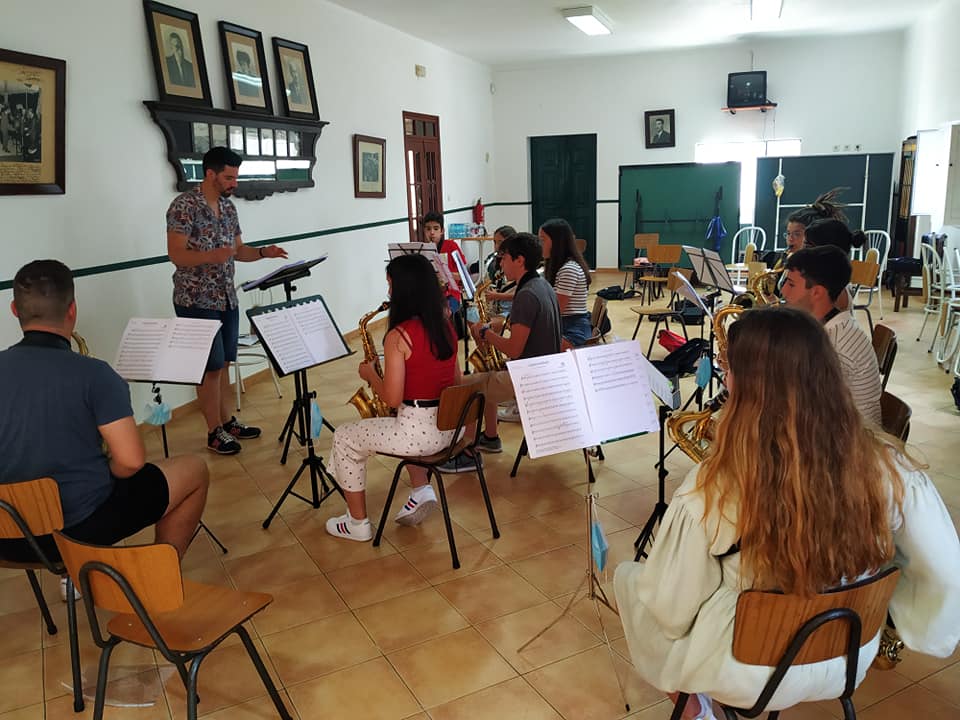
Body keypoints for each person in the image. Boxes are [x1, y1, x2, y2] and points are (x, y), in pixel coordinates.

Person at [614, 306, 960, 719]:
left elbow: (671, 611)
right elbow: (946, 571)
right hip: (848, 654)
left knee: (631, 583)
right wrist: (904, 617)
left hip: (746, 668)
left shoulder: (715, 485)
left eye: (729, 372)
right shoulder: (891, 466)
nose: (726, 380)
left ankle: (696, 712)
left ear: (750, 388)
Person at [0, 260, 210, 578]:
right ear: (72, 310)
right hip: (75, 533)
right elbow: (130, 462)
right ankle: (162, 579)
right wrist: (104, 471)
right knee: (194, 470)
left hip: (6, 535)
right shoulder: (96, 375)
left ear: (15, 310)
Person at [326, 254, 460, 541]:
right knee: (401, 421)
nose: (388, 292)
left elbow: (391, 399)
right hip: (451, 430)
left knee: (344, 437)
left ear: (405, 289)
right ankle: (421, 490)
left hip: (420, 435)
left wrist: (370, 374)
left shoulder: (398, 336)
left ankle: (356, 523)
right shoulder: (446, 327)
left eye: (391, 285)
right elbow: (456, 383)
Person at [166, 146, 288, 454]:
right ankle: (213, 432)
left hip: (226, 298)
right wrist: (210, 256)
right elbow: (176, 254)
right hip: (196, 300)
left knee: (224, 363)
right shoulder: (184, 206)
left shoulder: (229, 208)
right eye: (229, 177)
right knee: (209, 368)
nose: (235, 183)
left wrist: (264, 253)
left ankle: (226, 421)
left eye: (236, 177)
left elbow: (239, 250)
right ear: (210, 174)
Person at [442, 232, 561, 471]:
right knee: (485, 375)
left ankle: (468, 453)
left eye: (503, 258)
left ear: (520, 260)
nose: (500, 263)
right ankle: (490, 437)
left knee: (466, 388)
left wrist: (486, 333)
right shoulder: (541, 285)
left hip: (530, 377)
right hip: (544, 369)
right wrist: (498, 326)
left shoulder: (525, 295)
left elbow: (514, 349)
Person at [781, 246, 882, 425]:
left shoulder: (833, 347)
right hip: (837, 429)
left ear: (817, 292)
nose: (783, 291)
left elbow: (804, 410)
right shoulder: (833, 325)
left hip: (850, 437)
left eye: (791, 284)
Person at [540, 218, 592, 348]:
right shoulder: (559, 267)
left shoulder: (569, 269)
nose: (540, 245)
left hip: (573, 330)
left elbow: (557, 309)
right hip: (563, 324)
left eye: (543, 240)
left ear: (556, 242)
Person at [422, 211, 468, 319]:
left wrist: (445, 275)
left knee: (443, 314)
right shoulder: (422, 249)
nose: (432, 233)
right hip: (431, 294)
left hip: (451, 294)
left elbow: (464, 276)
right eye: (428, 229)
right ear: (424, 231)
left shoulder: (451, 246)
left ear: (442, 231)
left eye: (436, 228)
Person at [483, 225, 517, 318]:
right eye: (495, 242)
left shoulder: (515, 263)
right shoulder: (495, 260)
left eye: (500, 242)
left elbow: (522, 295)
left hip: (511, 311)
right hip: (499, 308)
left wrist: (497, 295)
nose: (497, 246)